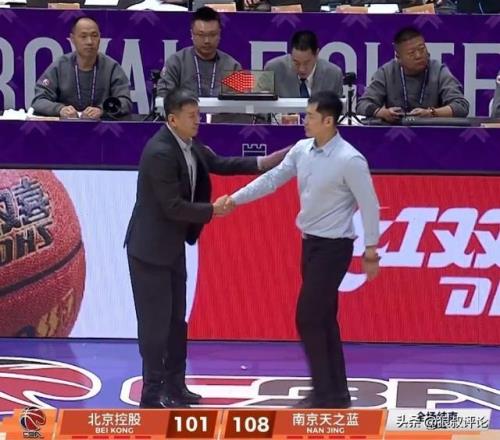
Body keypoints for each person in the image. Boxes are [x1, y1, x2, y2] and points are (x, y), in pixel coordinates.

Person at [124, 88, 288, 409]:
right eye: (192, 116)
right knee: (155, 326)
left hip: (172, 248)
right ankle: (152, 393)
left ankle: (176, 386)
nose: (198, 120)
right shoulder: (159, 152)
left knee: (176, 323)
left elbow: (221, 163)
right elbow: (172, 206)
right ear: (173, 119)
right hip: (149, 252)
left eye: (198, 114)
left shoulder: (190, 144)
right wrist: (213, 210)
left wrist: (268, 162)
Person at [223, 91, 380, 408]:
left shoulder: (349, 160)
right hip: (309, 245)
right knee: (324, 319)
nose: (304, 121)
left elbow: (369, 205)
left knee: (307, 317)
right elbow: (272, 179)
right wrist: (234, 200)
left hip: (335, 248)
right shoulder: (301, 150)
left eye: (310, 116)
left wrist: (371, 251)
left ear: (328, 121)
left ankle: (322, 393)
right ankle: (336, 393)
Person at [356, 26, 469, 124]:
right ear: (399, 57)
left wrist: (431, 113)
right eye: (411, 53)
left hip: (433, 133)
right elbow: (362, 104)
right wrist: (382, 113)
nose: (419, 56)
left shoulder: (438, 70)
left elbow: (461, 106)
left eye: (422, 49)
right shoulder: (386, 72)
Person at [31, 16, 132, 119]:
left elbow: (125, 101)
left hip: (101, 126)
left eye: (94, 36)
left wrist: (102, 110)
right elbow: (39, 100)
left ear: (99, 38)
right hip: (65, 126)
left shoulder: (112, 67)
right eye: (83, 36)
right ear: (72, 39)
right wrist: (60, 109)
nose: (90, 41)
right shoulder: (60, 66)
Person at [157, 6, 241, 98]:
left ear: (219, 34)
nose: (207, 41)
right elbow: (163, 95)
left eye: (212, 35)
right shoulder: (176, 62)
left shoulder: (233, 67)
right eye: (201, 35)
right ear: (192, 34)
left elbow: (241, 102)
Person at [264, 31, 343, 99]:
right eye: (296, 62)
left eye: (306, 63)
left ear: (316, 54)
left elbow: (338, 110)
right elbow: (262, 107)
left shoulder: (333, 75)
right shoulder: (273, 69)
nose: (301, 69)